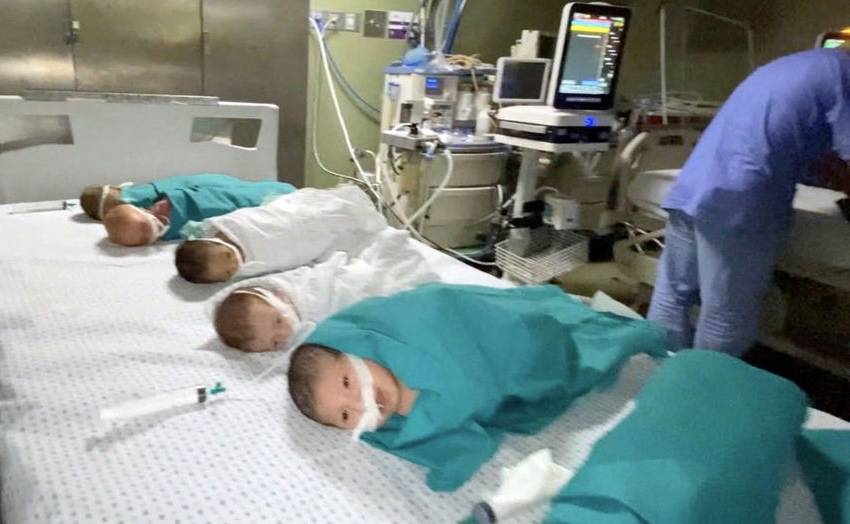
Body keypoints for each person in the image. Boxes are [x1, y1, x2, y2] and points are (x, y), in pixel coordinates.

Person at [287, 283, 668, 491]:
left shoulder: (396, 333)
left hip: (510, 339)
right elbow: (452, 437)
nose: (361, 402)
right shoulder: (396, 426)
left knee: (558, 349)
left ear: (353, 351)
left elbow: (445, 313)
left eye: (348, 382)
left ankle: (613, 330)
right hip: (492, 379)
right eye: (345, 415)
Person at [647, 48, 850, 357]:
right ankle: (702, 396)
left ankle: (655, 381)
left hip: (695, 183)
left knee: (672, 294)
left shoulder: (802, 64)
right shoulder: (844, 76)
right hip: (742, 199)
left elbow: (810, 146)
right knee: (726, 316)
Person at [213, 228, 438, 352]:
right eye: (275, 343)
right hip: (369, 307)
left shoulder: (306, 289)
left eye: (278, 322)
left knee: (384, 275)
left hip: (355, 281)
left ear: (280, 296)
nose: (285, 334)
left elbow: (336, 284)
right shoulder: (302, 336)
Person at [175, 184, 388, 283]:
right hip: (297, 245)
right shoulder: (246, 267)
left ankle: (346, 212)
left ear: (213, 240)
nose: (235, 264)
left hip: (289, 218)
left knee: (326, 213)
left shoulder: (231, 227)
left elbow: (264, 218)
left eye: (228, 256)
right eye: (228, 273)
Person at [90, 174, 295, 247]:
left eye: (146, 225)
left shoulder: (166, 202)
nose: (153, 231)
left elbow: (213, 196)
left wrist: (174, 203)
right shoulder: (170, 232)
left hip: (246, 197)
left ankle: (281, 196)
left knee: (257, 198)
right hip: (258, 210)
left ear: (146, 209)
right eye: (145, 238)